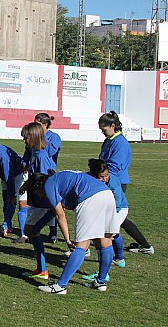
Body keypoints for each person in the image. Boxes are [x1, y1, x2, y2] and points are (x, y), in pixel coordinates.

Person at [21, 170, 118, 294]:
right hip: (107, 194)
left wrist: (67, 240)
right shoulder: (59, 178)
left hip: (90, 197)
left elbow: (60, 215)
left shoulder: (48, 185)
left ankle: (60, 286)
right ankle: (101, 281)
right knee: (105, 241)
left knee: (81, 245)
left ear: (37, 187)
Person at [98, 111, 154, 254]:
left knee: (116, 217)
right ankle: (144, 246)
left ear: (112, 125)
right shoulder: (109, 140)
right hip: (108, 181)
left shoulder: (120, 143)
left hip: (116, 183)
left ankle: (119, 250)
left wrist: (101, 175)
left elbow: (115, 167)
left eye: (104, 129)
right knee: (115, 217)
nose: (102, 132)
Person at [82, 159, 131, 281]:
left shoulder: (113, 181)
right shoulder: (87, 177)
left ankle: (105, 272)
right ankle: (119, 260)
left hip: (118, 209)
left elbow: (117, 201)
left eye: (106, 175)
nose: (105, 179)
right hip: (104, 208)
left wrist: (109, 217)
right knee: (107, 235)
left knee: (104, 236)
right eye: (101, 177)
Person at [15, 122, 55, 244]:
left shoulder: (41, 156)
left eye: (25, 138)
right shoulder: (34, 152)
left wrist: (28, 185)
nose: (24, 140)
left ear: (33, 137)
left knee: (31, 228)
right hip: (37, 195)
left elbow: (42, 178)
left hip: (40, 197)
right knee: (40, 224)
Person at [34, 112, 62, 242]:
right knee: (36, 202)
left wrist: (41, 139)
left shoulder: (54, 137)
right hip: (35, 173)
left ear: (45, 124)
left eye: (37, 123)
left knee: (51, 203)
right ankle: (33, 228)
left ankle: (53, 233)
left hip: (48, 174)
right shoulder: (34, 135)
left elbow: (50, 152)